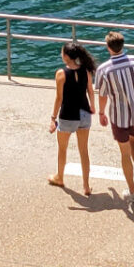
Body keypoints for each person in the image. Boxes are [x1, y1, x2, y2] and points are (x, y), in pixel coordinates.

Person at [93, 31, 134, 200]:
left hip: (118, 116)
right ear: (123, 45)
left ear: (108, 47)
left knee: (124, 152)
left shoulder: (104, 69)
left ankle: (132, 192)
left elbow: (103, 95)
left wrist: (101, 112)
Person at [48, 42, 98, 192]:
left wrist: (53, 118)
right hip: (84, 113)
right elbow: (90, 90)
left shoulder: (61, 73)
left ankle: (60, 177)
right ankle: (86, 185)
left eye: (62, 53)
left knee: (62, 149)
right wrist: (93, 106)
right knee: (84, 150)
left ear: (67, 57)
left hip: (68, 115)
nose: (61, 55)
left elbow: (59, 98)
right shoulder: (86, 71)